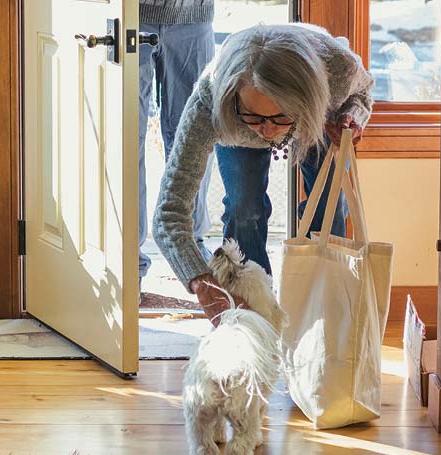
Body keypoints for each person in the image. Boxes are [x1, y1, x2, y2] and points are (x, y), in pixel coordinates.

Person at [153, 23, 374, 324]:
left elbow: (362, 91)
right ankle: (253, 315)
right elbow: (169, 213)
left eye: (278, 116)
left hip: (316, 122)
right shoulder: (209, 105)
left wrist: (353, 116)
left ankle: (320, 315)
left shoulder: (337, 69)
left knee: (329, 210)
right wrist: (201, 282)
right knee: (245, 208)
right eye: (254, 116)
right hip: (237, 128)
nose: (267, 131)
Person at [138, 0, 217, 292]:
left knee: (194, 136)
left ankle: (192, 252)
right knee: (125, 139)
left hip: (193, 17)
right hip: (126, 13)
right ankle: (126, 262)